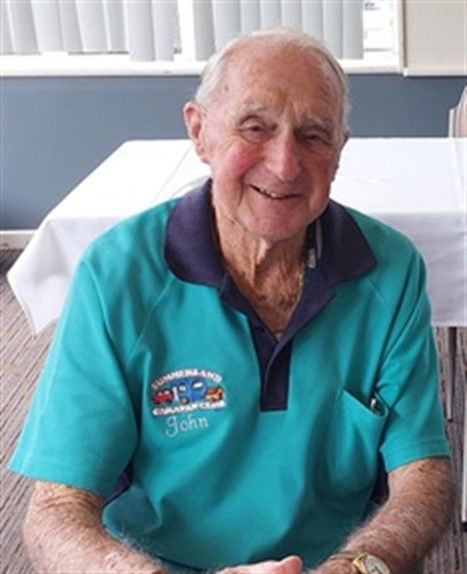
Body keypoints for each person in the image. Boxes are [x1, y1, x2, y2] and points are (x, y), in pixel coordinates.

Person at [10, 28, 455, 574]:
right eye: (255, 128)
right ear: (200, 132)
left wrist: (357, 565)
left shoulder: (390, 269)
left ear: (340, 150)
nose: (285, 164)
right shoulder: (116, 274)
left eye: (313, 134)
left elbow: (423, 474)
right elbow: (55, 510)